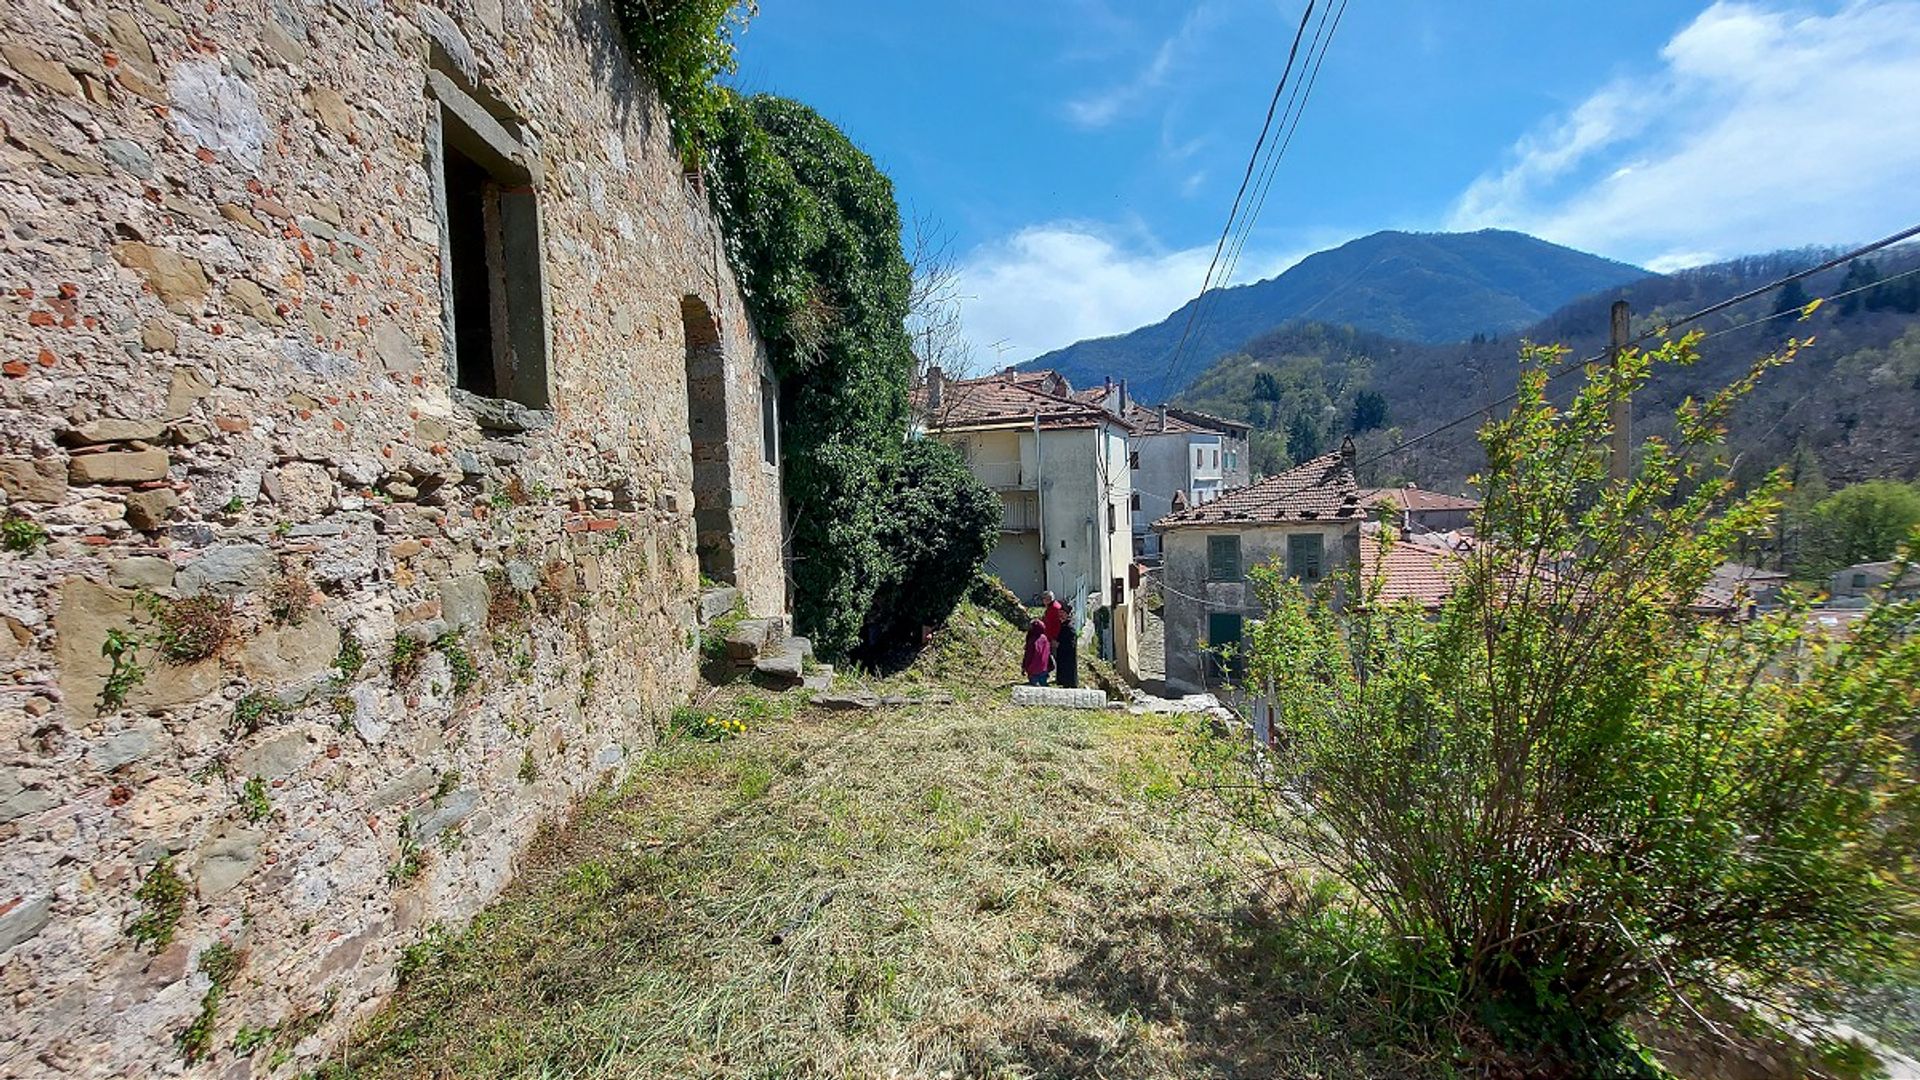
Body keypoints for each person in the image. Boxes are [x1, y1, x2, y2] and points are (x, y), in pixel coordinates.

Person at [1054, 605, 1078, 688]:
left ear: (1067, 614)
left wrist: (1059, 644)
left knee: (1068, 672)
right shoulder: (1063, 625)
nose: (1060, 615)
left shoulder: (1069, 627)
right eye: (1059, 613)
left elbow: (1071, 643)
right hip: (1062, 653)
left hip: (1067, 655)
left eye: (1063, 613)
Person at [1023, 618, 1052, 686]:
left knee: (1034, 686)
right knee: (1043, 687)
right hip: (1044, 669)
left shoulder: (1032, 640)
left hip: (1033, 670)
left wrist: (1025, 666)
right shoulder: (1045, 639)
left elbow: (1028, 655)